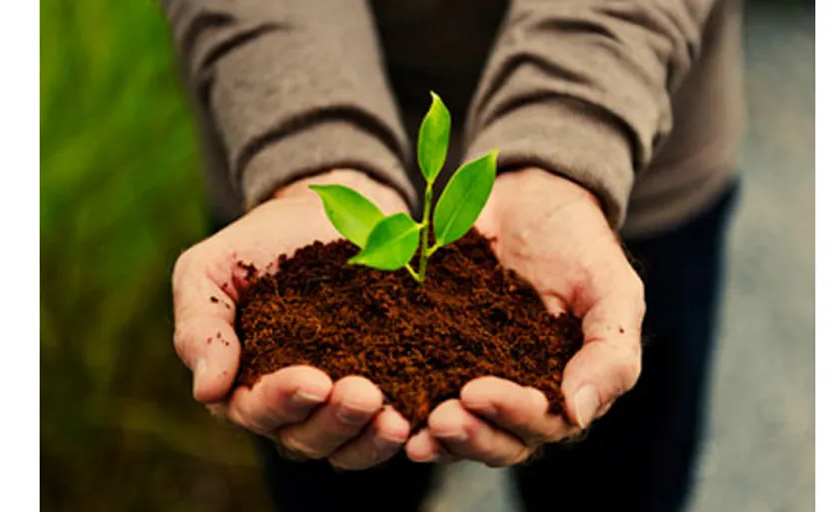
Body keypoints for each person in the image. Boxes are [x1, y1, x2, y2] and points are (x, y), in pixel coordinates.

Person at [163, 0, 744, 510]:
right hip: (278, 158)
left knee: (620, 486)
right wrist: (305, 144)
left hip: (624, 146)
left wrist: (568, 131)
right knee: (331, 473)